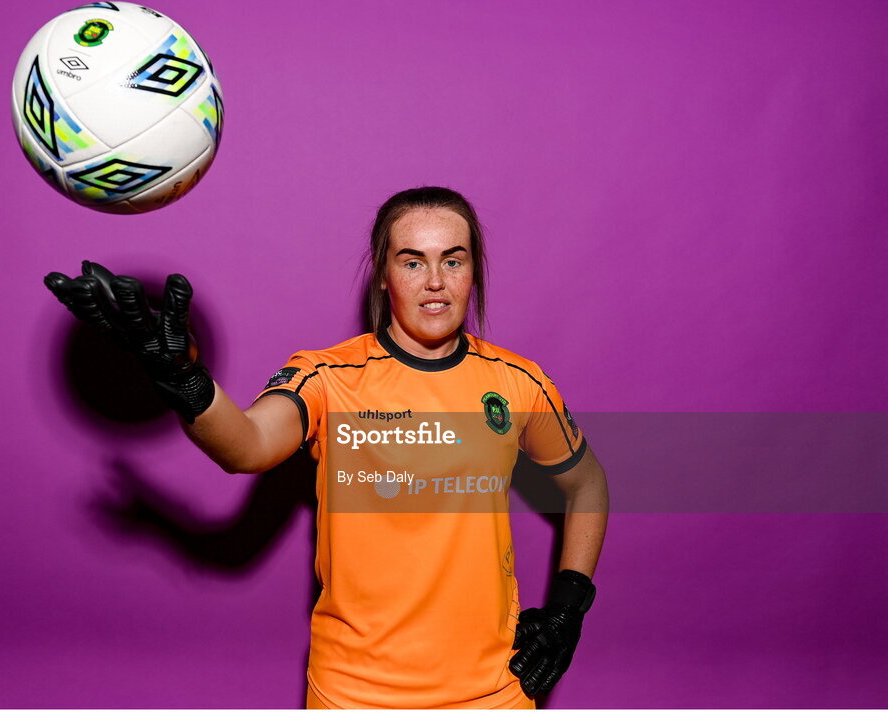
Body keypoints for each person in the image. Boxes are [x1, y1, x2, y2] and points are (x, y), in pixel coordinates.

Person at [45, 186, 609, 709]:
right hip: (353, 693)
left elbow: (587, 483)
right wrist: (187, 380)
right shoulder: (327, 378)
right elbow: (248, 445)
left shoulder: (517, 383)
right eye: (412, 260)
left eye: (452, 260)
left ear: (473, 274)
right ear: (384, 277)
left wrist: (569, 606)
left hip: (492, 691)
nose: (434, 280)